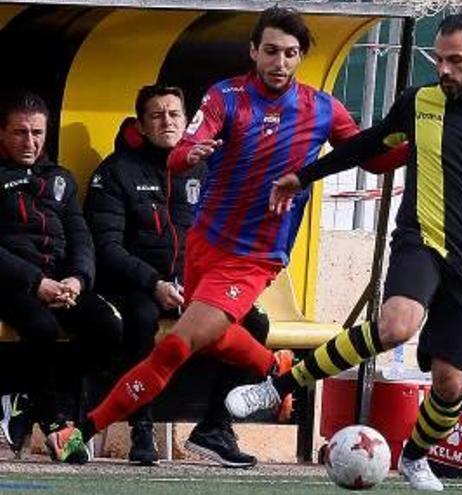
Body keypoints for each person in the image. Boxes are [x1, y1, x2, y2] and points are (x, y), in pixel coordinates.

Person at [225, 12, 462, 491]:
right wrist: (303, 176)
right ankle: (277, 385)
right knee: (395, 325)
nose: (445, 69)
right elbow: (367, 145)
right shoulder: (419, 103)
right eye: (440, 59)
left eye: (456, 61)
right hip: (419, 241)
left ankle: (414, 457)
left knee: (450, 384)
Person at [48, 6, 402, 463]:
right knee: (213, 336)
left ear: (300, 58)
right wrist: (193, 155)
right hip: (205, 243)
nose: (280, 62)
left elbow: (370, 157)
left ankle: (82, 430)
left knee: (177, 344)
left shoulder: (321, 109)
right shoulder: (226, 96)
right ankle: (275, 368)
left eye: (291, 54)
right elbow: (181, 154)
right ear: (254, 51)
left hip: (254, 257)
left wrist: (421, 142)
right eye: (271, 51)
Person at [84, 84, 272, 467]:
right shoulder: (116, 170)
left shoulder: (207, 169)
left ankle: (215, 427)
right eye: (156, 115)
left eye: (174, 114)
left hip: (197, 285)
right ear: (141, 123)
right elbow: (106, 246)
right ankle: (141, 425)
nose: (166, 122)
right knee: (141, 317)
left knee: (254, 320)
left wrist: (205, 284)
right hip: (135, 285)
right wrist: (154, 283)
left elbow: (229, 237)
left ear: (187, 122)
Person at [0, 91, 122, 461]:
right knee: (40, 326)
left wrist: (77, 280)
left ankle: (31, 398)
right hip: (12, 283)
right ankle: (56, 423)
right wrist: (35, 283)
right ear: (2, 133)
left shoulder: (60, 179)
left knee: (108, 325)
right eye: (20, 132)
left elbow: (81, 236)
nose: (30, 141)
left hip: (60, 283)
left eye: (37, 133)